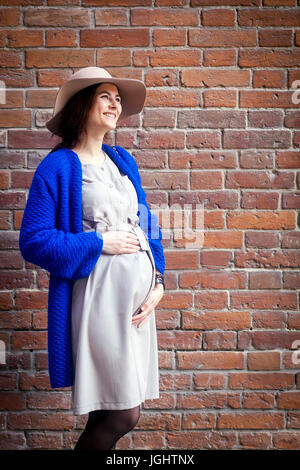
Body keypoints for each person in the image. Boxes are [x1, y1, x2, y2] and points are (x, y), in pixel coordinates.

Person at [19, 67, 165, 450]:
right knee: (122, 413)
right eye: (105, 95)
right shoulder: (59, 166)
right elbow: (33, 241)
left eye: (118, 98)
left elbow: (146, 222)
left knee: (110, 410)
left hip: (134, 307)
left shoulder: (122, 161)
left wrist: (159, 282)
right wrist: (99, 244)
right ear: (82, 104)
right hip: (97, 300)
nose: (115, 103)